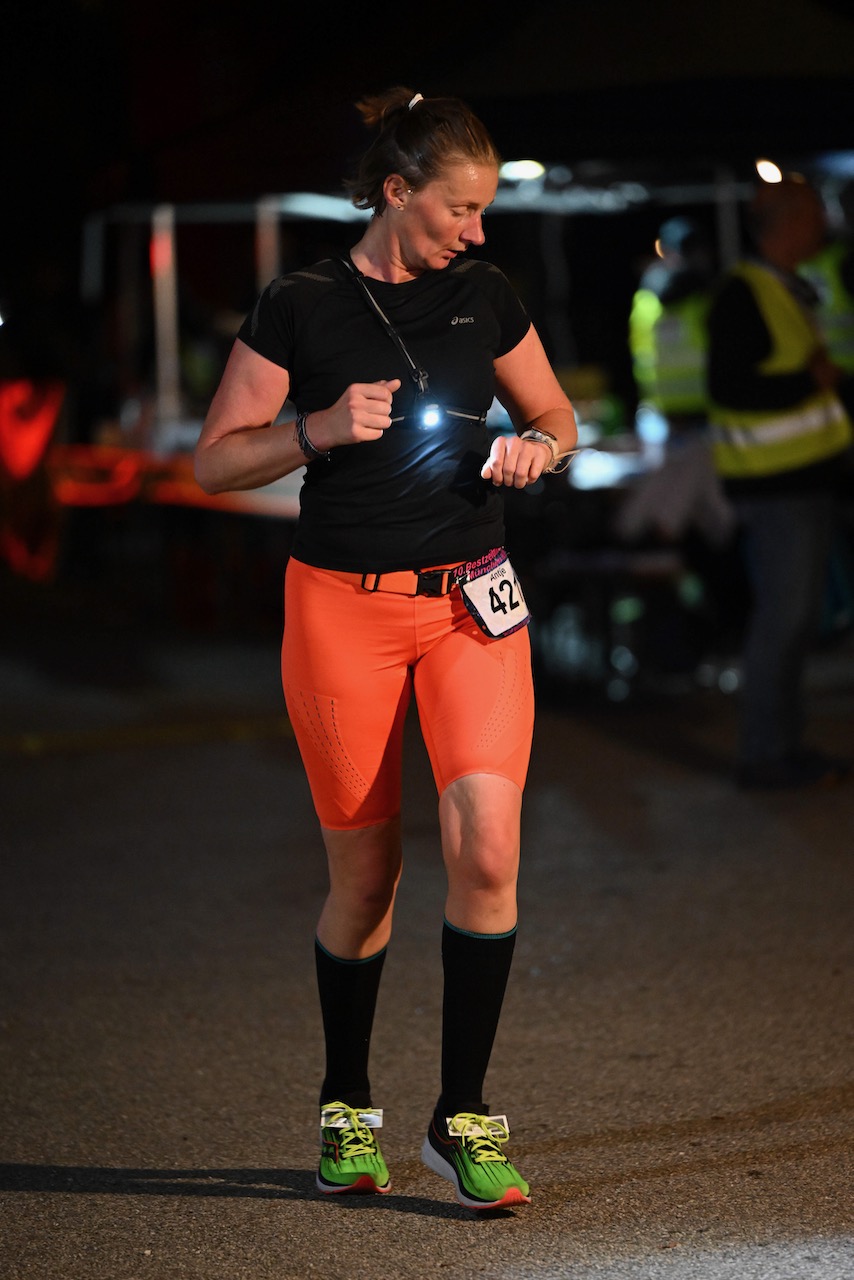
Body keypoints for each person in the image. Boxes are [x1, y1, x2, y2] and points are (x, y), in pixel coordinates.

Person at [194, 86, 577, 1210]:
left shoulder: (485, 295)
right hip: (340, 612)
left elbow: (557, 416)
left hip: (469, 604)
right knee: (365, 880)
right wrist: (312, 429)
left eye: (483, 210)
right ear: (396, 192)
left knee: (488, 846)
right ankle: (346, 1103)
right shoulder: (300, 304)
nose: (476, 230)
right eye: (460, 209)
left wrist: (534, 452)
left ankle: (460, 1117)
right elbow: (213, 463)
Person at [706, 176, 853, 789]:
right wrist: (811, 380)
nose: (825, 226)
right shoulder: (747, 293)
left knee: (794, 623)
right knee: (782, 622)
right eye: (817, 214)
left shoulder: (782, 287)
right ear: (790, 223)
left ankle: (782, 748)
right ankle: (764, 755)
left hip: (799, 482)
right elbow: (731, 389)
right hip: (774, 487)